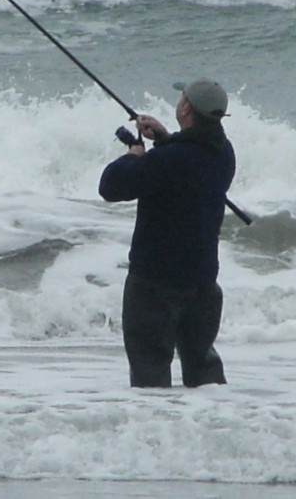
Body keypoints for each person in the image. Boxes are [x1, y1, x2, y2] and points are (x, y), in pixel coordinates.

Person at [99, 78, 236, 387]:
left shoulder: (168, 160)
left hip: (154, 285)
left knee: (150, 374)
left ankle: (156, 433)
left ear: (185, 107)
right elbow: (187, 164)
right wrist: (164, 138)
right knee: (204, 375)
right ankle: (214, 426)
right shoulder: (223, 154)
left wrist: (135, 154)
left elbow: (110, 186)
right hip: (202, 285)